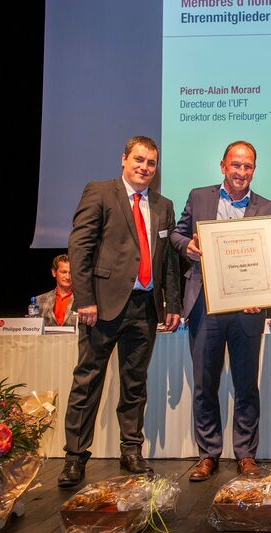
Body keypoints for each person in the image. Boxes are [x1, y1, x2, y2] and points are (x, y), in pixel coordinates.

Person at [59, 136, 181, 488]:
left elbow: (169, 261)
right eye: (139, 160)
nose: (145, 168)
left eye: (151, 163)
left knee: (134, 385)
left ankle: (131, 452)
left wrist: (171, 303)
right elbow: (79, 246)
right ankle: (75, 458)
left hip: (145, 308)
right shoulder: (99, 192)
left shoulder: (163, 205)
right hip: (102, 307)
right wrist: (85, 299)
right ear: (124, 159)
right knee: (88, 382)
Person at [170, 141, 271, 482]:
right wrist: (186, 245)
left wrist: (262, 293)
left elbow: (270, 259)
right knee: (205, 384)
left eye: (247, 166)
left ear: (254, 170)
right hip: (206, 304)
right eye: (235, 165)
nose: (241, 172)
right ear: (222, 166)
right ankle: (209, 454)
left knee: (247, 384)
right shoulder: (200, 197)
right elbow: (176, 233)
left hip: (248, 308)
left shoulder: (269, 208)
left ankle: (246, 454)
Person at [35, 254, 75, 326]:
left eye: (71, 273)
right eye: (63, 272)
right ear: (54, 272)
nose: (68, 277)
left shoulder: (84, 300)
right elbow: (33, 329)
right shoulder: (39, 300)